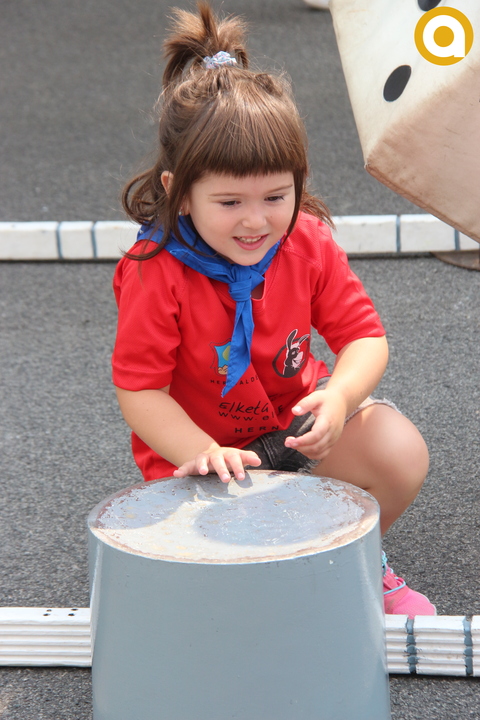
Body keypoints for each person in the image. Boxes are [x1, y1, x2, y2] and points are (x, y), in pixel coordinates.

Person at [112, 1, 435, 617]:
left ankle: (351, 559)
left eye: (275, 196)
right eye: (229, 202)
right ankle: (285, 565)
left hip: (297, 431)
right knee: (226, 609)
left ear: (298, 180)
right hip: (203, 459)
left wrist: (339, 398)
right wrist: (202, 451)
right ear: (180, 193)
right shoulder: (156, 271)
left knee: (397, 450)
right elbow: (141, 390)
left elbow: (364, 337)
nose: (255, 221)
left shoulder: (306, 240)